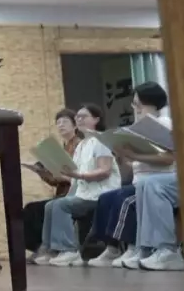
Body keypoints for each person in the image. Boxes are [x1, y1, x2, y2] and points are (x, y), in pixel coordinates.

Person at [85, 82, 176, 268]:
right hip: (141, 181)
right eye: (135, 104)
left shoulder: (164, 124)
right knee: (106, 198)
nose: (136, 109)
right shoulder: (138, 128)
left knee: (125, 198)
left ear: (153, 102)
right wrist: (121, 155)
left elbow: (169, 159)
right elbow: (131, 168)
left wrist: (135, 156)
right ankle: (112, 248)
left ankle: (136, 247)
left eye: (139, 104)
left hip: (157, 180)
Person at [36, 104, 121, 267]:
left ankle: (69, 250)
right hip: (84, 193)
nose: (79, 119)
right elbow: (74, 177)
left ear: (96, 119)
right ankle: (51, 250)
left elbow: (105, 171)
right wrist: (52, 174)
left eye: (84, 116)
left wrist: (79, 176)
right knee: (51, 205)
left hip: (101, 194)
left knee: (60, 205)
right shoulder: (82, 145)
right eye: (78, 117)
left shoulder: (101, 141)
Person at [23, 109, 83, 262]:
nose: (61, 125)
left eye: (65, 121)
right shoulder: (63, 148)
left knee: (39, 209)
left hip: (76, 192)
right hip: (63, 192)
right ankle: (40, 247)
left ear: (75, 125)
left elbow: (76, 176)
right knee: (30, 209)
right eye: (58, 122)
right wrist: (41, 172)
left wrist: (58, 175)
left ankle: (49, 248)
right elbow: (56, 181)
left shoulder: (80, 146)